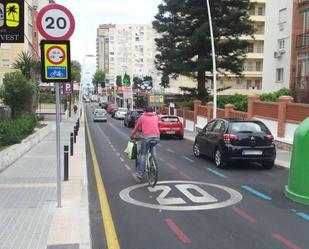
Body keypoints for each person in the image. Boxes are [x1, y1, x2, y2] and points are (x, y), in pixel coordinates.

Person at [130, 106, 160, 179]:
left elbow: (136, 128)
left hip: (146, 137)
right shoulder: (156, 117)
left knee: (143, 154)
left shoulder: (142, 117)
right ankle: (154, 164)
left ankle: (140, 173)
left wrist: (132, 135)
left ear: (145, 111)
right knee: (153, 149)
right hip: (156, 137)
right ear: (152, 111)